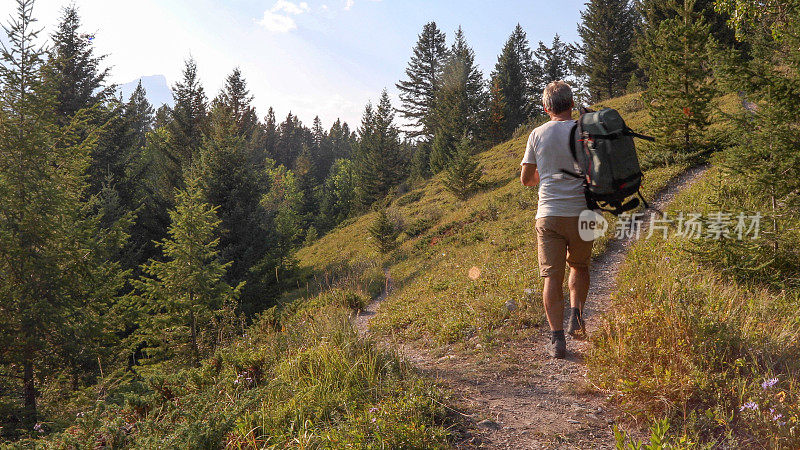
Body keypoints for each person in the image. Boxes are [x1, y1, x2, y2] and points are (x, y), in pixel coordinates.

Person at [520, 80, 592, 359]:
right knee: (580, 266)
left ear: (545, 106)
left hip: (549, 214)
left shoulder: (537, 134)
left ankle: (557, 340)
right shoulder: (585, 130)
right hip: (584, 212)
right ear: (571, 104)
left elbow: (526, 179)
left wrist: (547, 175)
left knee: (551, 276)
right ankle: (577, 316)